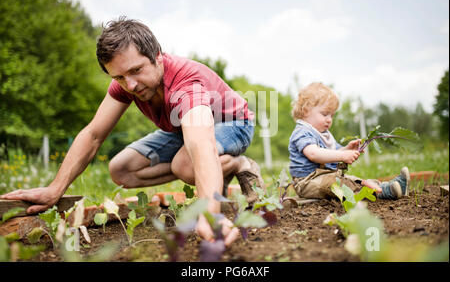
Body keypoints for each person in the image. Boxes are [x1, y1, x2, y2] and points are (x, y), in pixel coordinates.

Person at [0, 17, 265, 246]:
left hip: (233, 123)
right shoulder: (126, 84)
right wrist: (54, 189)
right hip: (181, 129)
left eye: (136, 70)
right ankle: (214, 171)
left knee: (186, 166)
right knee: (121, 170)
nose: (131, 85)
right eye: (119, 77)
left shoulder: (186, 83)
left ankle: (239, 163)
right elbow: (93, 135)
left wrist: (210, 213)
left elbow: (200, 143)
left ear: (158, 57)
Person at [288, 82, 410, 201]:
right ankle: (380, 193)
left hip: (325, 177)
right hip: (307, 182)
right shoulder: (302, 132)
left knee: (353, 180)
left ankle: (385, 187)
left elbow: (333, 152)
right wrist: (342, 155)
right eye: (325, 114)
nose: (329, 119)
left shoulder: (324, 133)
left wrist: (346, 149)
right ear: (305, 111)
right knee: (339, 184)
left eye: (332, 115)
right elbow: (313, 154)